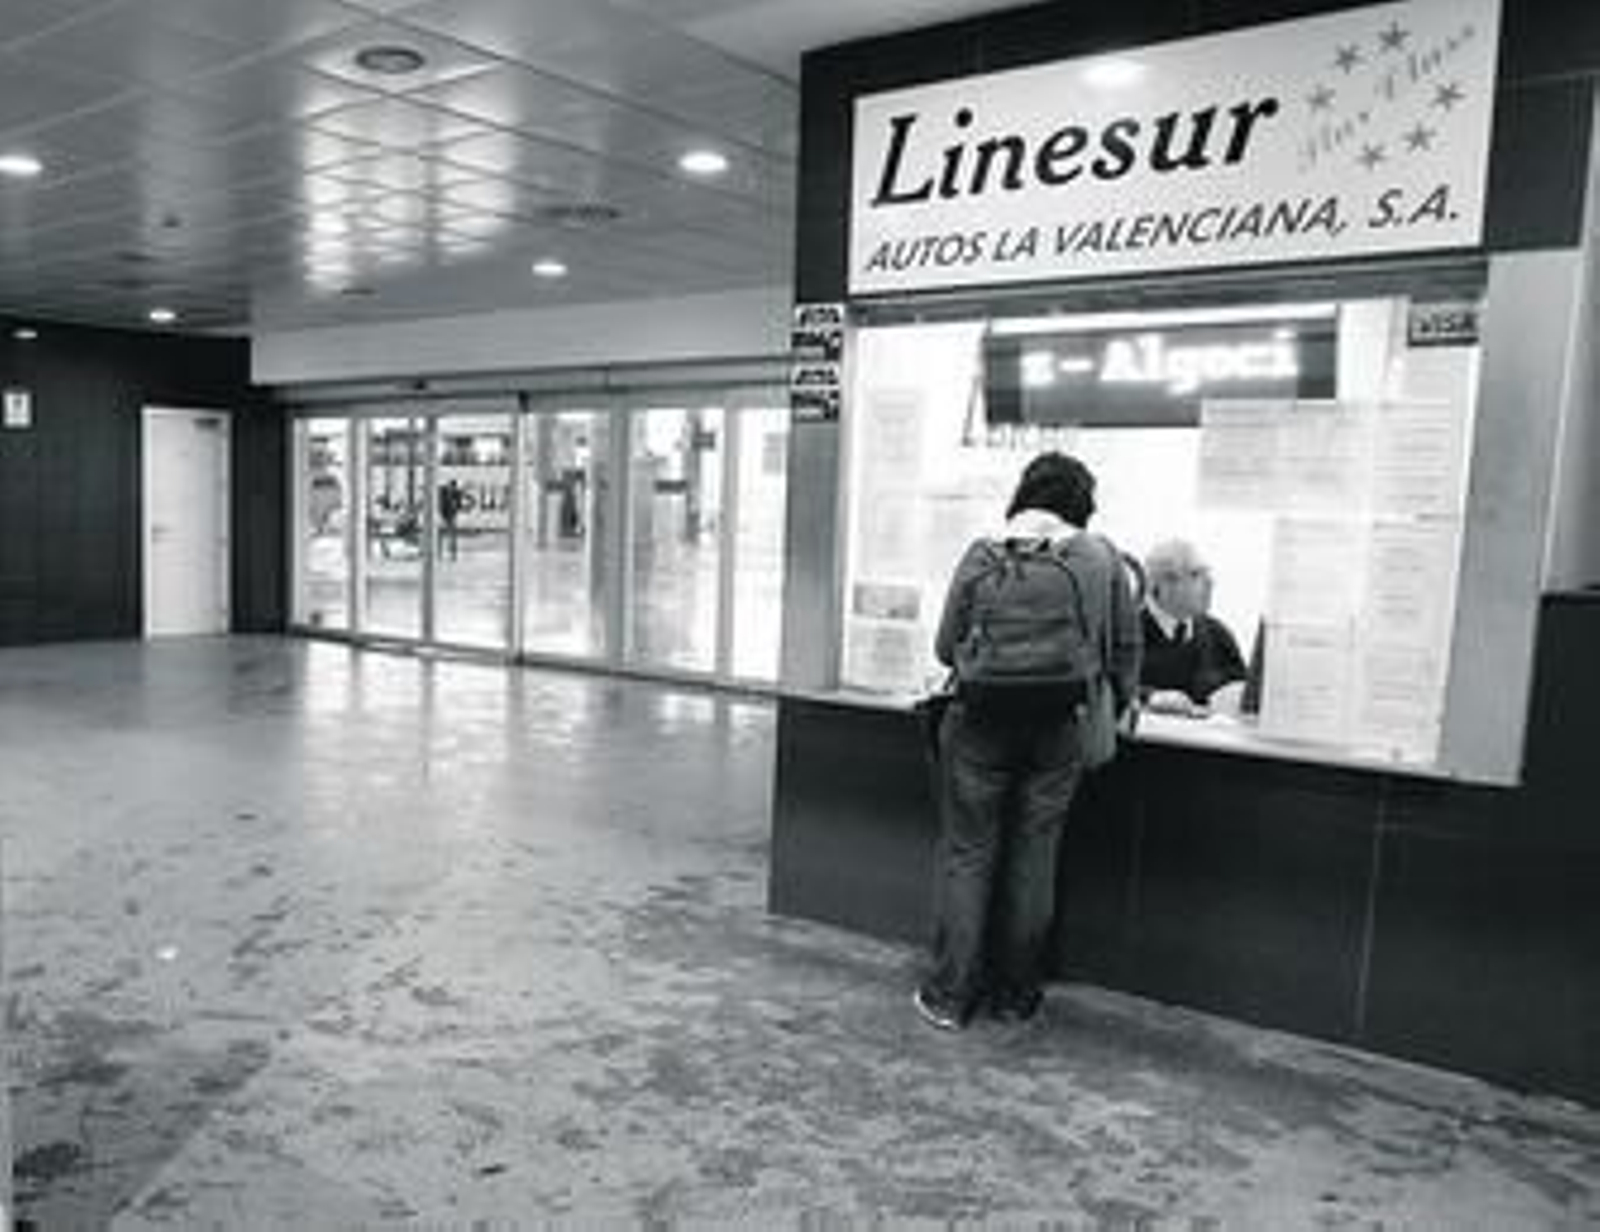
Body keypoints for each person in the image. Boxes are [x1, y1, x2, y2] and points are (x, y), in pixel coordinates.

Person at [916, 452, 1141, 1031]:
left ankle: (949, 996)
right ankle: (1016, 995)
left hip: (979, 722)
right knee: (1034, 855)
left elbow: (945, 648)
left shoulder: (984, 552)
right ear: (1082, 501)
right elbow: (1124, 648)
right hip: (1060, 724)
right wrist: (1124, 700)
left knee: (968, 854)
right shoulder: (1099, 557)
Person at [1139, 539, 1246, 713]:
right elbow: (1109, 689)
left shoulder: (1218, 633)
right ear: (1162, 584)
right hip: (1151, 738)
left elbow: (1245, 692)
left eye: (1207, 573)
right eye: (1196, 575)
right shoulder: (1128, 632)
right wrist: (1150, 697)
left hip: (1207, 738)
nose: (1210, 583)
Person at [437, 479, 464, 561]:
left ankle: (452, 554)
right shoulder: (442, 491)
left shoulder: (457, 493)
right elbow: (439, 503)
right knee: (440, 535)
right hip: (443, 514)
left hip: (450, 515)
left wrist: (456, 507)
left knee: (451, 535)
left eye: (453, 488)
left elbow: (459, 505)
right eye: (451, 488)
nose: (452, 489)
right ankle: (439, 553)